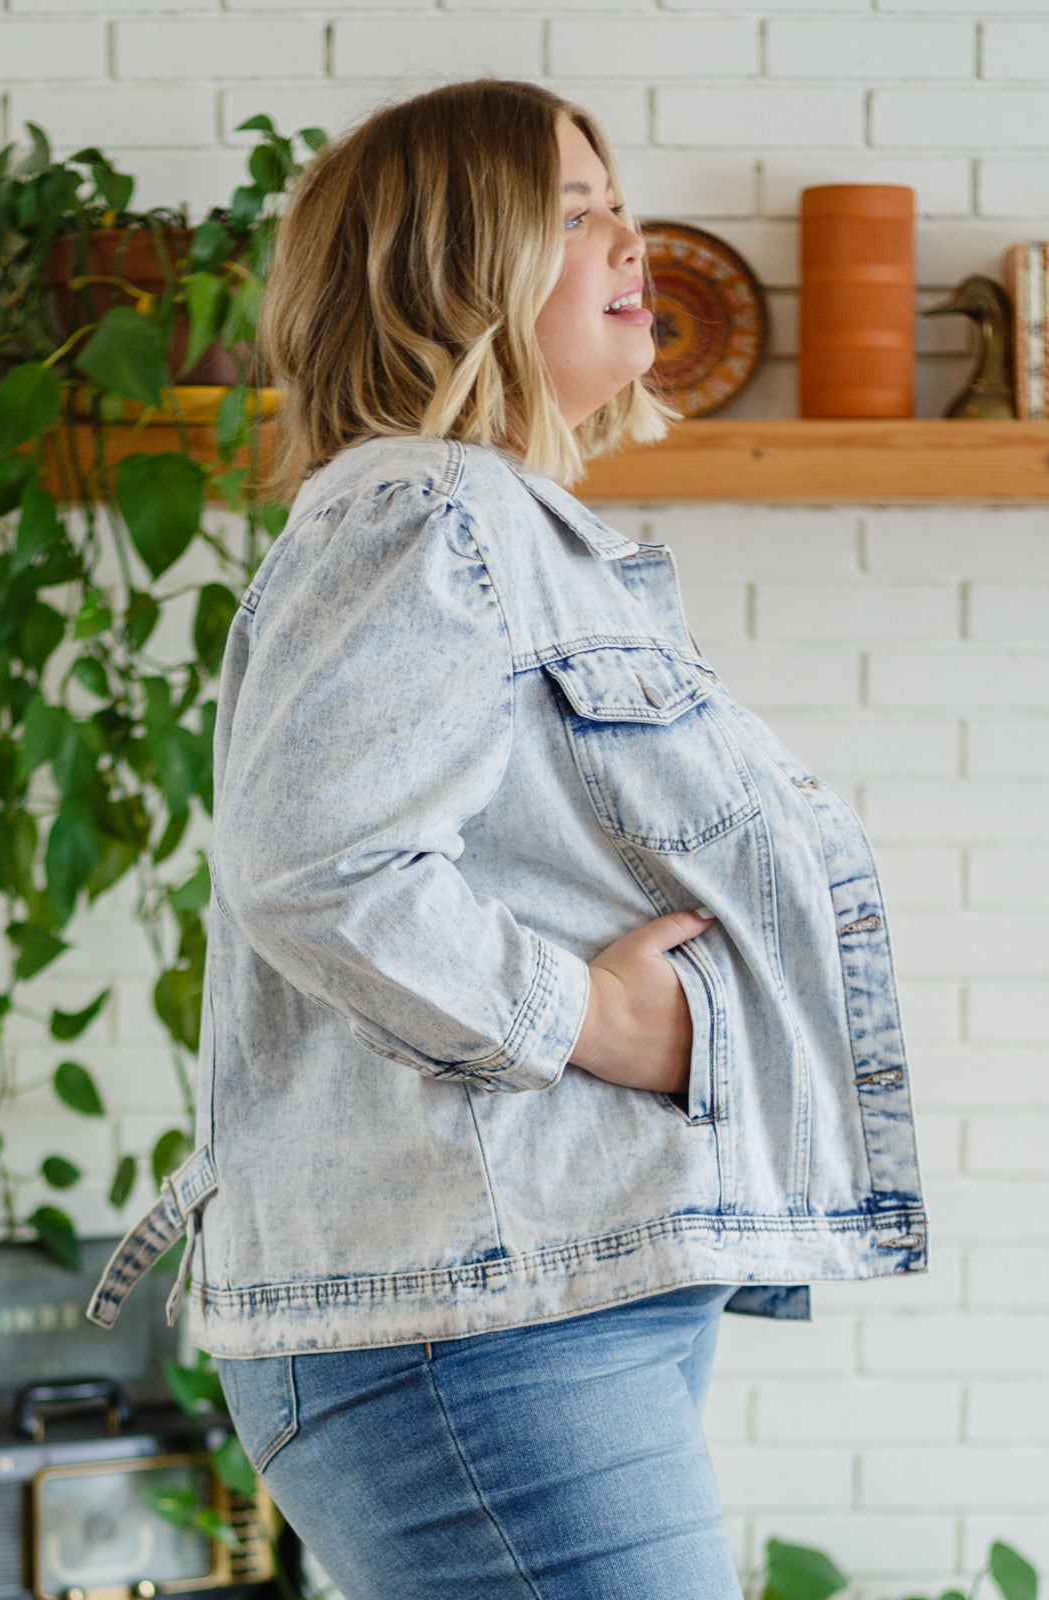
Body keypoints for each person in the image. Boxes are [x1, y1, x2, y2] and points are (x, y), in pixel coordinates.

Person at [89, 78, 927, 1600]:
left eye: (621, 201)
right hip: (472, 1320)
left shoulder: (499, 527)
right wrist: (588, 1015)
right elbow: (318, 870)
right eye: (575, 208)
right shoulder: (431, 511)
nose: (630, 237)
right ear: (443, 266)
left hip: (517, 1299)